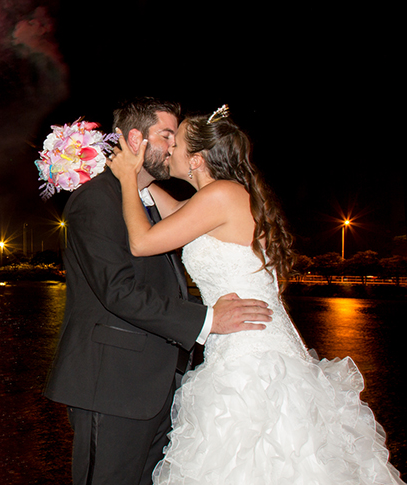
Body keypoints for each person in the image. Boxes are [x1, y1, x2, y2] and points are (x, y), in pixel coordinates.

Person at [107, 106, 405, 484]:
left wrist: (127, 177)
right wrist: (142, 181)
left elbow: (142, 241)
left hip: (252, 360)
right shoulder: (220, 197)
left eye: (175, 143)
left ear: (196, 159)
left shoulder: (221, 196)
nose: (168, 150)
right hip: (248, 345)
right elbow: (178, 211)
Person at [43, 98, 274, 485]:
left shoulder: (147, 201)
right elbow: (118, 291)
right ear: (136, 139)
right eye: (167, 135)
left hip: (158, 388)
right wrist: (208, 319)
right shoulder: (97, 200)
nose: (173, 146)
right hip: (113, 386)